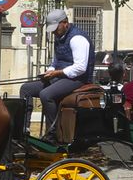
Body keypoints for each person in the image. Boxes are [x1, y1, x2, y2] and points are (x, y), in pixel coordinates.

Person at [20, 9, 97, 139]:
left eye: (56, 28)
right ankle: (24, 128)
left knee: (46, 94)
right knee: (25, 89)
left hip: (77, 79)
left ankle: (52, 134)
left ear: (65, 22)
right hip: (60, 77)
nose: (54, 31)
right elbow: (56, 60)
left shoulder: (77, 38)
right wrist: (50, 70)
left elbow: (80, 68)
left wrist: (56, 73)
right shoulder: (59, 37)